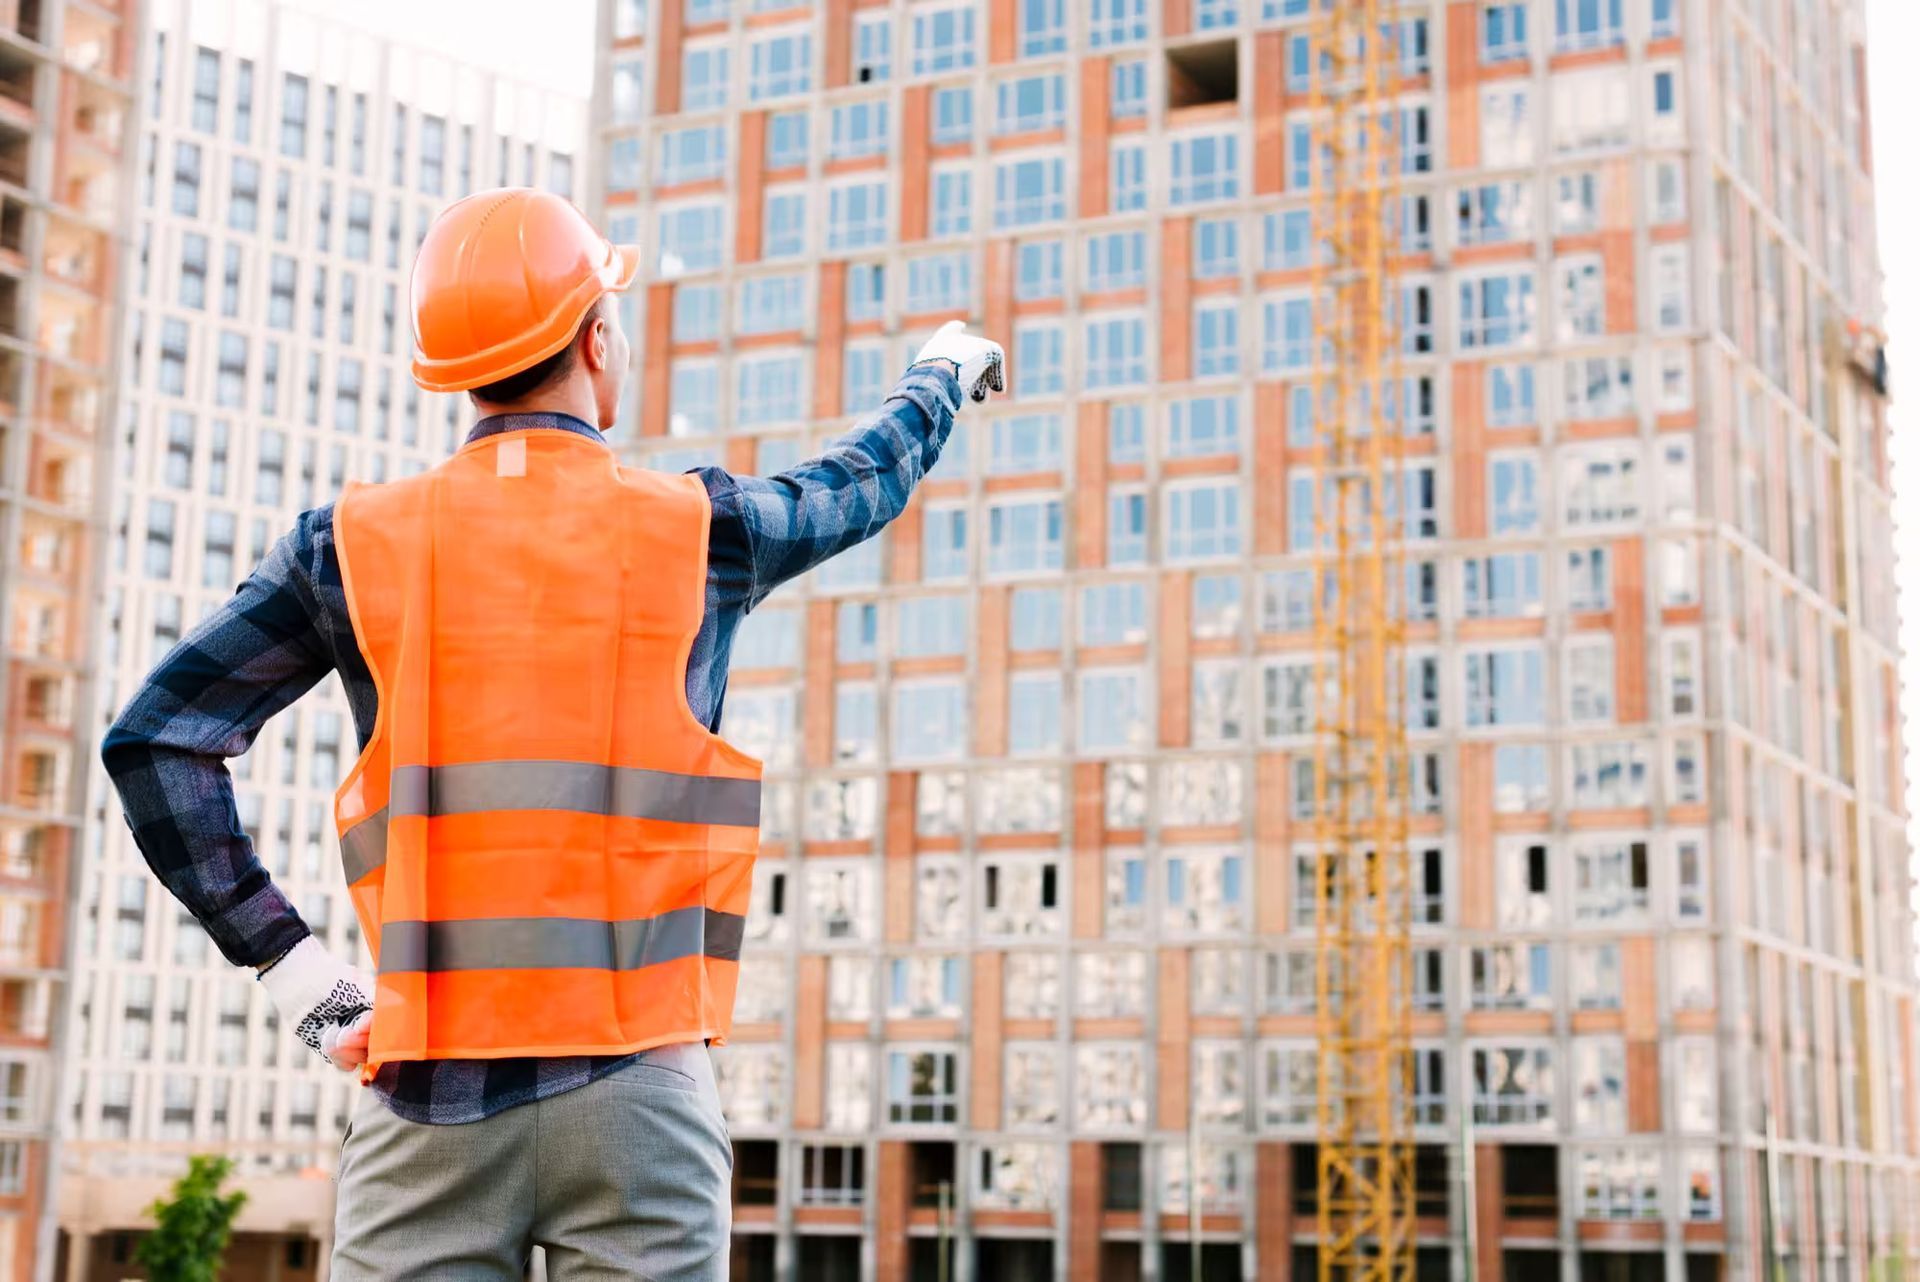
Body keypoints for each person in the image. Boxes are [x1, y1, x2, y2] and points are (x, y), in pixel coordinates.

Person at [101, 187, 1004, 1280]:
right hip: (639, 1098)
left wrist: (298, 976)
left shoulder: (350, 546)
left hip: (425, 1094)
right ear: (594, 337)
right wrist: (941, 378)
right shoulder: (696, 528)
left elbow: (157, 741)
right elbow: (852, 487)